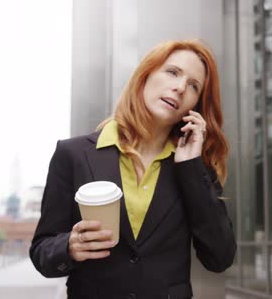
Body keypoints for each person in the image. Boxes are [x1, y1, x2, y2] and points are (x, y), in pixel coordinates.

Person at [30, 39, 237, 298]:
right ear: (146, 74)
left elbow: (220, 258)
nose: (180, 87)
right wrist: (69, 247)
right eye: (172, 72)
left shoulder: (195, 169)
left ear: (195, 105)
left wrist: (192, 167)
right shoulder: (72, 154)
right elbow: (42, 251)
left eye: (194, 86)